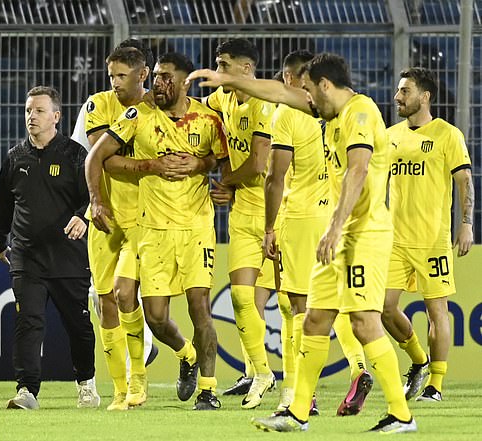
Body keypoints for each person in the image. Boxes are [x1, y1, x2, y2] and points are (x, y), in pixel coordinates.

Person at [186, 53, 416, 433]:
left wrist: (336, 226)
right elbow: (279, 90)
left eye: (309, 89)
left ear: (325, 85)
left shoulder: (360, 113)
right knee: (314, 318)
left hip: (361, 234)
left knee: (362, 321)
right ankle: (297, 411)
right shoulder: (330, 111)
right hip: (340, 233)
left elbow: (358, 169)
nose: (305, 97)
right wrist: (232, 80)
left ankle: (401, 415)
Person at [86, 52, 228, 410]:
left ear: (183, 83)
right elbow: (99, 158)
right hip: (152, 230)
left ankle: (208, 391)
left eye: (166, 78)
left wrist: (203, 164)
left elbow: (223, 162)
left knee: (200, 307)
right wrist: (149, 165)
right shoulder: (138, 116)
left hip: (196, 228)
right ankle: (188, 354)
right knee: (157, 317)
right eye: (157, 77)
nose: (158, 84)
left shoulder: (209, 119)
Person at [263, 49, 373, 416]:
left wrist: (268, 226)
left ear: (295, 80)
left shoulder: (289, 113)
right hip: (337, 216)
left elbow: (275, 177)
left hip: (302, 216)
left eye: (286, 79)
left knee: (298, 307)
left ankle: (299, 394)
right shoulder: (339, 112)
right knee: (336, 305)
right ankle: (358, 368)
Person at [0, 86, 99, 410]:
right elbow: (3, 208)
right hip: (27, 256)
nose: (31, 117)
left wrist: (84, 218)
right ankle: (27, 390)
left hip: (68, 257)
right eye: (28, 111)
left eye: (38, 111)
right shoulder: (14, 158)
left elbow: (91, 198)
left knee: (78, 325)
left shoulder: (75, 155)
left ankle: (86, 384)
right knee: (28, 322)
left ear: (56, 116)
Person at [382, 67, 473, 402]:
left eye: (405, 91)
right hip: (393, 239)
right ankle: (419, 360)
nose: (397, 98)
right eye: (398, 90)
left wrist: (466, 223)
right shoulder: (390, 136)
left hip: (432, 240)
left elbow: (465, 181)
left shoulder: (447, 135)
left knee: (437, 312)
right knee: (383, 307)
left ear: (425, 96)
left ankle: (435, 384)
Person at [71, 40, 160, 380]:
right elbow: (100, 156)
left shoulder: (159, 107)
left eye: (122, 76)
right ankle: (122, 386)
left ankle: (154, 365)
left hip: (148, 218)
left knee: (135, 296)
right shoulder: (97, 104)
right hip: (106, 216)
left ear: (143, 74)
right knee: (104, 296)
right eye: (112, 76)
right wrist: (152, 164)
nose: (115, 83)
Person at [202, 38, 276, 409]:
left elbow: (260, 165)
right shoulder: (223, 99)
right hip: (244, 213)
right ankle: (260, 373)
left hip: (280, 215)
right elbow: (198, 114)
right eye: (216, 65)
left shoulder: (266, 104)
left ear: (247, 70)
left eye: (224, 65)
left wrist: (225, 181)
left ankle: (300, 386)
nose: (217, 72)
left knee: (296, 305)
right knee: (241, 296)